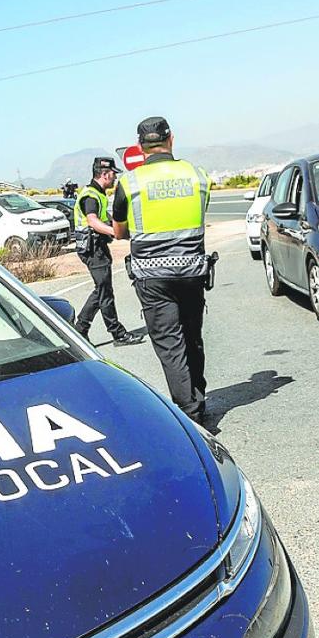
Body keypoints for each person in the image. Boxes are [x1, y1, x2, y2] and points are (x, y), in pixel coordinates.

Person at [112, 117, 212, 423]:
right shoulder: (198, 176)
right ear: (171, 140)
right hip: (193, 270)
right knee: (192, 334)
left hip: (152, 276)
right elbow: (198, 215)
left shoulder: (129, 182)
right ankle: (198, 395)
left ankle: (190, 413)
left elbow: (118, 232)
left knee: (170, 343)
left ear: (140, 147)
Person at [74, 157, 141, 346]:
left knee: (102, 290)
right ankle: (117, 334)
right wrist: (115, 232)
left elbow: (106, 218)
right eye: (113, 174)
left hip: (97, 248)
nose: (114, 178)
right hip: (92, 249)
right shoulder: (90, 196)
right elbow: (93, 221)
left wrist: (126, 232)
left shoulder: (98, 193)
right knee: (105, 293)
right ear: (104, 174)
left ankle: (80, 330)